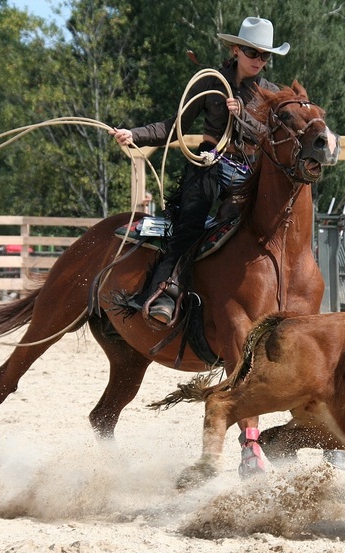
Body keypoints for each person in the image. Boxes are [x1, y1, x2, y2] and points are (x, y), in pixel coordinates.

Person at [108, 16, 290, 325]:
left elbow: (272, 138)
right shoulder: (211, 82)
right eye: (253, 53)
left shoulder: (270, 94)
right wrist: (134, 134)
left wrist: (243, 114)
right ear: (237, 50)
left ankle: (249, 299)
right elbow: (174, 125)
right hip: (210, 161)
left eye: (265, 55)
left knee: (250, 231)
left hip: (248, 169)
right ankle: (164, 291)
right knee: (189, 222)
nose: (259, 60)